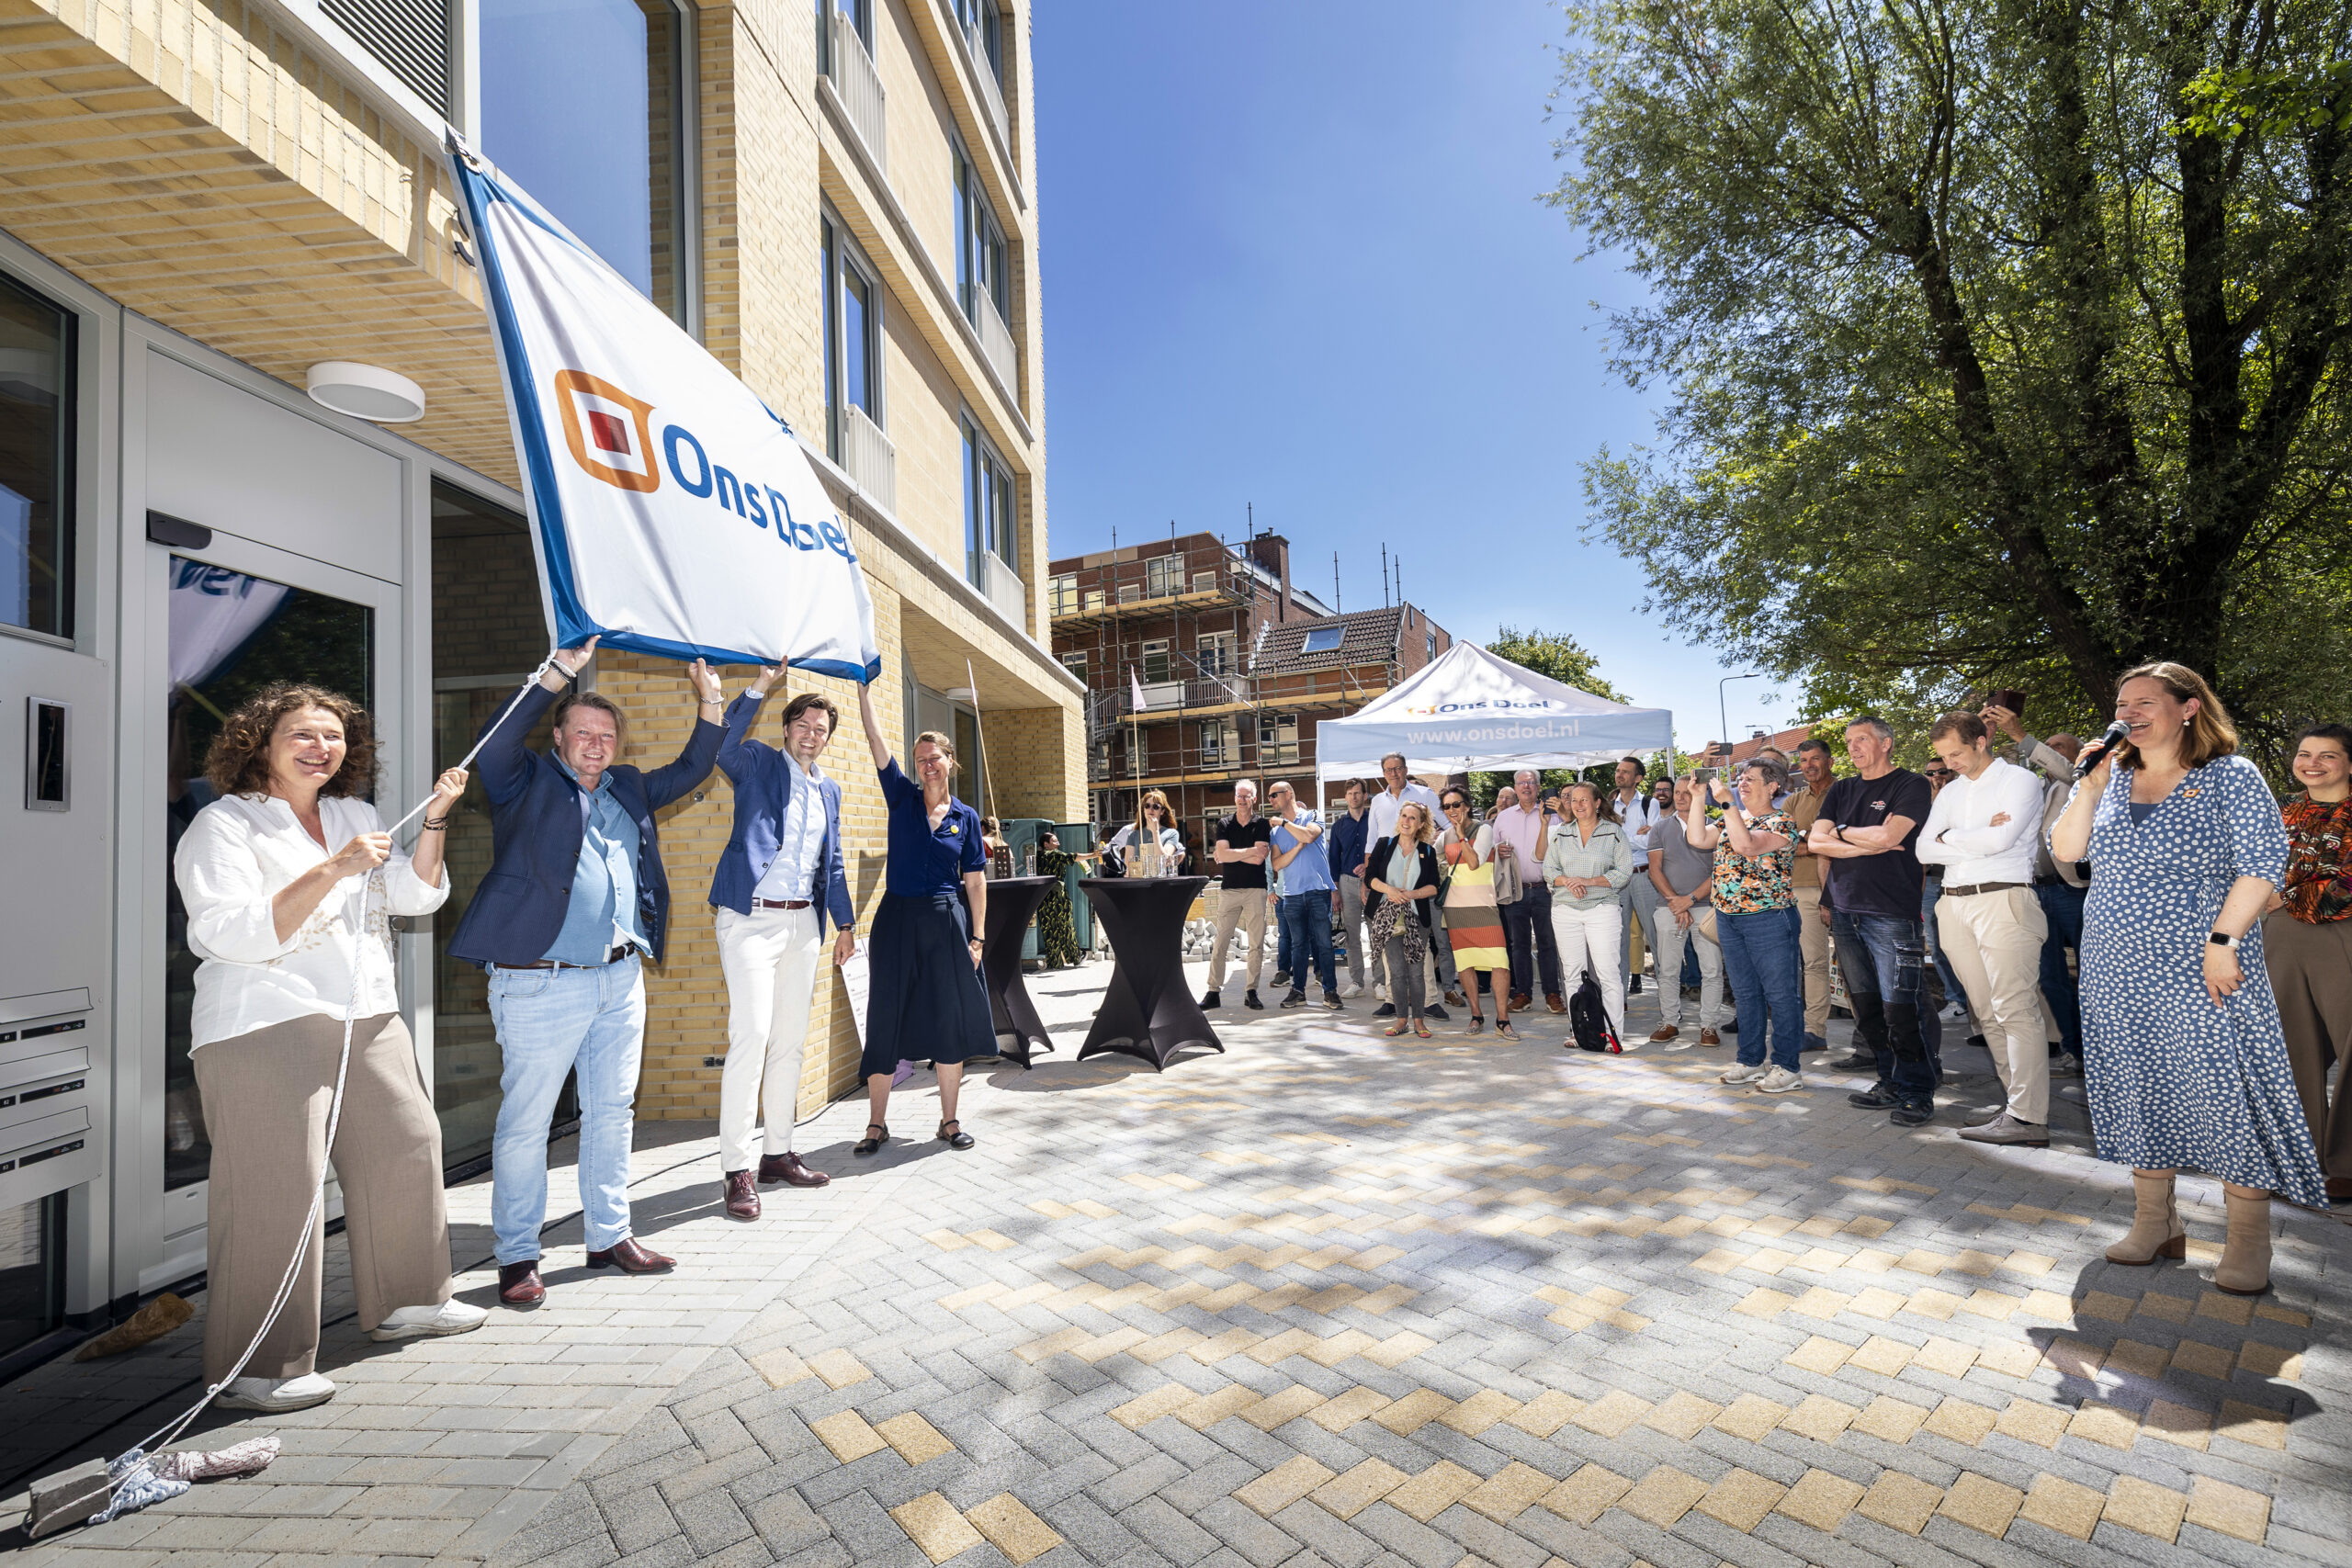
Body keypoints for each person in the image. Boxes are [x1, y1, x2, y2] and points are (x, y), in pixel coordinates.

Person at [173, 684, 482, 1412]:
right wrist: (335, 868)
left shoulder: (355, 813)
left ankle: (410, 1299)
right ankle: (258, 1367)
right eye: (303, 734)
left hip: (366, 1012)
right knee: (274, 1190)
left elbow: (412, 895)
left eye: (334, 736)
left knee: (408, 1143)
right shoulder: (223, 825)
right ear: (260, 742)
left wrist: (434, 819)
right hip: (264, 1021)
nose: (322, 746)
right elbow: (228, 931)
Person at [453, 639, 724, 1307]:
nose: (597, 745)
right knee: (528, 1121)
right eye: (583, 733)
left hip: (618, 979)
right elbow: (495, 742)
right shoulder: (522, 781)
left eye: (606, 735)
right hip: (540, 981)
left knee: (611, 1113)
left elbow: (695, 765)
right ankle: (517, 1253)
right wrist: (559, 673)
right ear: (559, 737)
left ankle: (609, 1233)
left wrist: (710, 697)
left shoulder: (628, 787)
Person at [2050, 661, 2323, 1292]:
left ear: (2190, 707)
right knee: (2138, 1079)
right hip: (2116, 961)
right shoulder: (2111, 777)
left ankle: (2248, 1240)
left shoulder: (2229, 775)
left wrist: (2225, 941)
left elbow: (2262, 863)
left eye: (2146, 701)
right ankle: (2156, 1222)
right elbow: (2066, 851)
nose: (2130, 712)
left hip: (2204, 959)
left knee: (2226, 1086)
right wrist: (2086, 787)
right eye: (2124, 703)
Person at [707, 680, 856, 1221]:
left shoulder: (829, 790)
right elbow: (720, 745)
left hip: (803, 928)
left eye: (821, 729)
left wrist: (845, 923)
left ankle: (777, 1153)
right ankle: (736, 1169)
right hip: (750, 920)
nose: (811, 736)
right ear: (787, 727)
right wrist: (757, 688)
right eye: (803, 725)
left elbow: (832, 862)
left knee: (790, 1042)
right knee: (751, 1037)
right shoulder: (758, 764)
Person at [852, 682, 991, 1155]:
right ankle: (876, 1124)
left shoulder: (967, 818)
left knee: (949, 1018)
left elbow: (974, 881)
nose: (928, 766)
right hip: (896, 920)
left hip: (946, 922)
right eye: (921, 760)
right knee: (885, 1014)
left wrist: (978, 938)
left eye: (935, 757)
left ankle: (949, 1121)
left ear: (951, 760)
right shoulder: (902, 798)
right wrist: (864, 695)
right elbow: (875, 743)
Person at [1915, 711, 2054, 1146]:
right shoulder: (1951, 791)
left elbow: (2001, 842)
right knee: (1986, 1012)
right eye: (1942, 756)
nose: (1949, 762)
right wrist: (1969, 834)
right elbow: (1921, 850)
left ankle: (2030, 1118)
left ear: (1980, 741)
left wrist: (1950, 838)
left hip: (2005, 897)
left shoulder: (2019, 781)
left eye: (1955, 752)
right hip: (1953, 905)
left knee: (2015, 1008)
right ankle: (2017, 1106)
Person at [1806, 717, 1937, 1123]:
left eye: (1860, 739)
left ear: (1886, 743)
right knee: (1866, 1007)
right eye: (1848, 741)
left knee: (1902, 1005)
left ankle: (1917, 1090)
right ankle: (1889, 1080)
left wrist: (1842, 834)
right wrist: (1864, 840)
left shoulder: (1911, 785)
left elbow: (1890, 837)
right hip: (1844, 912)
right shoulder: (1842, 788)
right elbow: (1814, 841)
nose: (1852, 747)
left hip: (1891, 913)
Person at [2266, 723, 2352, 1202]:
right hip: (2280, 937)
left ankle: (2346, 1163)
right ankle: (2297, 1155)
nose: (2313, 763)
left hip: (2343, 932)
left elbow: (2347, 884)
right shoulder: (2283, 809)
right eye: (2305, 753)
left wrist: (2282, 895)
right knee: (2291, 1047)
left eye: (2328, 755)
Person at [1685, 760, 1804, 1090]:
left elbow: (1747, 845)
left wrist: (1727, 803)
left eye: (1751, 779)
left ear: (1773, 786)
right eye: (1741, 778)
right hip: (1728, 917)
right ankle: (1750, 1061)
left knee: (1781, 995)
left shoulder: (1782, 821)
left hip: (1769, 918)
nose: (1742, 783)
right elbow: (1697, 838)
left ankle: (1787, 1066)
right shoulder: (1732, 818)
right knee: (1746, 993)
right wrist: (1698, 798)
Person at [1543, 782, 1634, 1039]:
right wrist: (1569, 881)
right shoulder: (1561, 833)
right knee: (1571, 974)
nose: (1578, 804)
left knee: (1607, 973)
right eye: (1573, 800)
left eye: (1584, 800)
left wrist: (1589, 881)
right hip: (1565, 909)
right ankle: (1578, 1032)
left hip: (1602, 908)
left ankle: (1612, 1034)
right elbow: (1549, 871)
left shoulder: (1613, 832)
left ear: (1596, 803)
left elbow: (1624, 872)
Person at [1363, 753, 1451, 1018]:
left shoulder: (1425, 794)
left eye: (1397, 768)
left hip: (1417, 876)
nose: (1393, 773)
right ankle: (1393, 1000)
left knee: (1420, 952)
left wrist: (1435, 850)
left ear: (1405, 769)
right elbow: (1371, 842)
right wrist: (1371, 886)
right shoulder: (1377, 801)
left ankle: (1429, 1002)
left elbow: (1446, 827)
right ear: (1383, 773)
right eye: (1388, 769)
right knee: (1393, 955)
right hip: (1385, 882)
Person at [1646, 774, 1726, 1046]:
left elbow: (1719, 873)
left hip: (1705, 909)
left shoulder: (1714, 828)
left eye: (1686, 792)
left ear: (1698, 796)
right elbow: (1655, 870)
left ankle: (1709, 1026)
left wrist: (1688, 900)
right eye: (1677, 792)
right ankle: (1669, 1022)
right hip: (1668, 907)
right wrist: (1675, 901)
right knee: (1668, 970)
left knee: (1712, 970)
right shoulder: (1659, 829)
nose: (1680, 796)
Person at [2031, 734, 2089, 1076]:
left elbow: (2070, 772)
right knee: (2050, 976)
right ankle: (2073, 1049)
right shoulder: (2038, 788)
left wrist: (2023, 739)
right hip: (2038, 892)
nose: (2050, 751)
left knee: (2089, 976)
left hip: (2074, 891)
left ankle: (2098, 1052)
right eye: (2047, 746)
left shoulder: (2079, 780)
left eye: (2059, 747)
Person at [1438, 786, 1514, 1037]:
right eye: (1447, 807)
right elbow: (1431, 852)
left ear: (1467, 806)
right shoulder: (1444, 835)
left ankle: (1503, 1021)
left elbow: (1473, 863)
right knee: (1466, 963)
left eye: (1456, 805)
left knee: (1499, 963)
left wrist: (1461, 836)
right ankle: (1476, 1016)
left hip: (1483, 906)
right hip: (1455, 907)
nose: (1452, 810)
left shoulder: (1484, 830)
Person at [1365, 801, 1443, 1037]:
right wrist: (1389, 890)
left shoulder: (1427, 851)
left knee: (1416, 972)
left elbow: (1434, 887)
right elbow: (1370, 878)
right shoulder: (1384, 844)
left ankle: (1419, 1021)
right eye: (1404, 816)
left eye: (1412, 818)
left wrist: (1412, 894)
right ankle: (1401, 1021)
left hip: (1416, 917)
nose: (1406, 821)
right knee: (1397, 971)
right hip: (1387, 915)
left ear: (1421, 824)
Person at [1266, 780, 1341, 1010]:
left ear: (1289, 794)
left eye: (1274, 795)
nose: (1270, 800)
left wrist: (1287, 825)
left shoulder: (1313, 815)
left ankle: (1330, 992)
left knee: (1324, 945)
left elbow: (1309, 836)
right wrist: (1297, 847)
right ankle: (1298, 992)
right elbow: (1277, 864)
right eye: (1269, 797)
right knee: (1298, 946)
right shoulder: (1275, 832)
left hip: (1318, 891)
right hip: (1292, 895)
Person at [1494, 770, 1564, 1013]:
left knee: (1548, 943)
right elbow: (1493, 851)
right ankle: (1523, 993)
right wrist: (1497, 852)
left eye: (1531, 783)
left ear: (1538, 786)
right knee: (1518, 945)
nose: (1526, 786)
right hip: (1515, 891)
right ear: (1515, 787)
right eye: (1521, 783)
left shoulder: (1553, 815)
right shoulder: (1503, 818)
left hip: (1546, 890)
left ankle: (1552, 994)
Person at [1786, 739, 1837, 1053]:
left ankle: (1871, 1037)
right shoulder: (1793, 802)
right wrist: (1822, 840)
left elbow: (1845, 839)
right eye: (1803, 760)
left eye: (1815, 759)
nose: (1809, 765)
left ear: (1830, 761)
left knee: (1855, 964)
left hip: (1846, 889)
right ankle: (1814, 1030)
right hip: (1803, 889)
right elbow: (1785, 843)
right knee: (1814, 963)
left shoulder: (1847, 792)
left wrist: (1808, 840)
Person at [1204, 781, 1272, 1009]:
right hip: (1229, 890)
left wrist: (1229, 854)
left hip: (1255, 889)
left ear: (1254, 799)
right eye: (1238, 796)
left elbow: (1259, 859)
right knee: (1220, 942)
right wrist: (1250, 850)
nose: (1242, 800)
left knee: (1256, 944)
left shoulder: (1262, 824)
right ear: (1234, 798)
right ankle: (1213, 992)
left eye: (1246, 796)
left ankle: (1251, 991)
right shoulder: (1224, 823)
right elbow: (1225, 854)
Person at [1919, 761, 1972, 1028]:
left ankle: (1975, 1003)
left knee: (1968, 943)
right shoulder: (1922, 803)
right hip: (1931, 883)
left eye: (1942, 771)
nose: (1936, 776)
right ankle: (1956, 1001)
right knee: (1938, 945)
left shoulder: (1967, 795)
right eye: (1930, 773)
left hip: (1963, 879)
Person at [1611, 757, 1666, 999]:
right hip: (1617, 878)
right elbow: (1606, 843)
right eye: (1618, 770)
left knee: (1656, 938)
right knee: (1618, 939)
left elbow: (1652, 841)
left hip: (1644, 875)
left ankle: (1668, 1001)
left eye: (1625, 772)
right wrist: (1635, 836)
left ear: (1638, 778)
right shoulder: (1607, 807)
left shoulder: (1649, 803)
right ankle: (1618, 1000)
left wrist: (1620, 837)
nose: (1619, 775)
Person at [1329, 781, 1374, 997]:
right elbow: (1333, 860)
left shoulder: (1374, 821)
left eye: (1357, 793)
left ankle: (1381, 983)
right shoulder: (1338, 826)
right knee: (1352, 935)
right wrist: (1334, 891)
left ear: (1365, 796)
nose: (1353, 797)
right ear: (1346, 797)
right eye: (1349, 793)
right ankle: (1357, 981)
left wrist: (1370, 867)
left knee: (1378, 934)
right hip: (1346, 882)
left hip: (1374, 883)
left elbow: (1383, 850)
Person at [1034, 829, 1092, 968]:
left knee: (1049, 929)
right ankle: (1075, 957)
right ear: (1046, 844)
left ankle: (1055, 962)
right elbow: (1072, 857)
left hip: (1043, 896)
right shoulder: (1054, 854)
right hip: (1058, 896)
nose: (1058, 843)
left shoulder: (1038, 856)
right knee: (1066, 926)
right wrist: (1093, 855)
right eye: (1054, 841)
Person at [1109, 790, 1184, 876]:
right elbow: (1128, 868)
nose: (1150, 809)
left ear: (1162, 811)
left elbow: (1163, 861)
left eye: (1156, 806)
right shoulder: (1133, 835)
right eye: (1147, 806)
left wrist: (1155, 832)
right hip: (1139, 884)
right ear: (1143, 810)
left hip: (1160, 883)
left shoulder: (1171, 833)